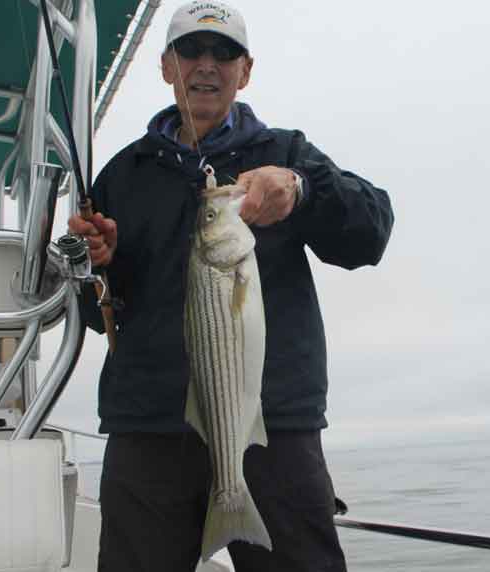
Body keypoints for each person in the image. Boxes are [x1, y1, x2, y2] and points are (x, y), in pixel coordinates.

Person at [68, 2, 394, 570]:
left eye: (225, 54)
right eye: (191, 50)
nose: (207, 65)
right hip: (149, 430)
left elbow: (370, 234)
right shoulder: (123, 175)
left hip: (273, 430)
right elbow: (97, 316)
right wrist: (100, 266)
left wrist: (301, 188)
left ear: (246, 71)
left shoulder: (286, 153)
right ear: (167, 66)